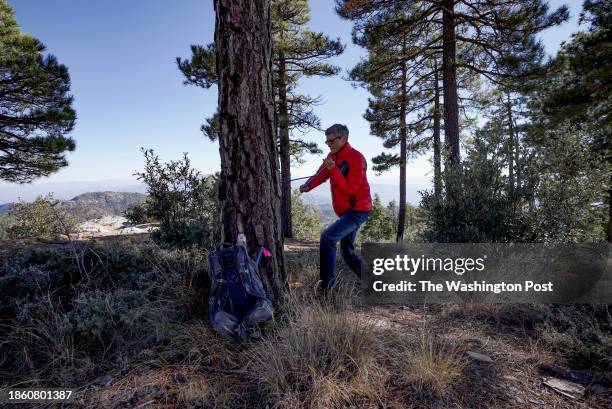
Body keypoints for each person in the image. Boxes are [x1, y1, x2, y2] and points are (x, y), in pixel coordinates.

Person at [299, 124, 372, 290]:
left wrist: (333, 171)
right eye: (327, 141)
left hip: (358, 210)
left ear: (344, 138)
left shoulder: (356, 159)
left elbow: (350, 190)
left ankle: (326, 287)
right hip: (346, 212)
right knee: (347, 253)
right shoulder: (332, 156)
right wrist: (307, 186)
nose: (329, 144)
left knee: (328, 237)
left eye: (332, 140)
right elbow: (320, 175)